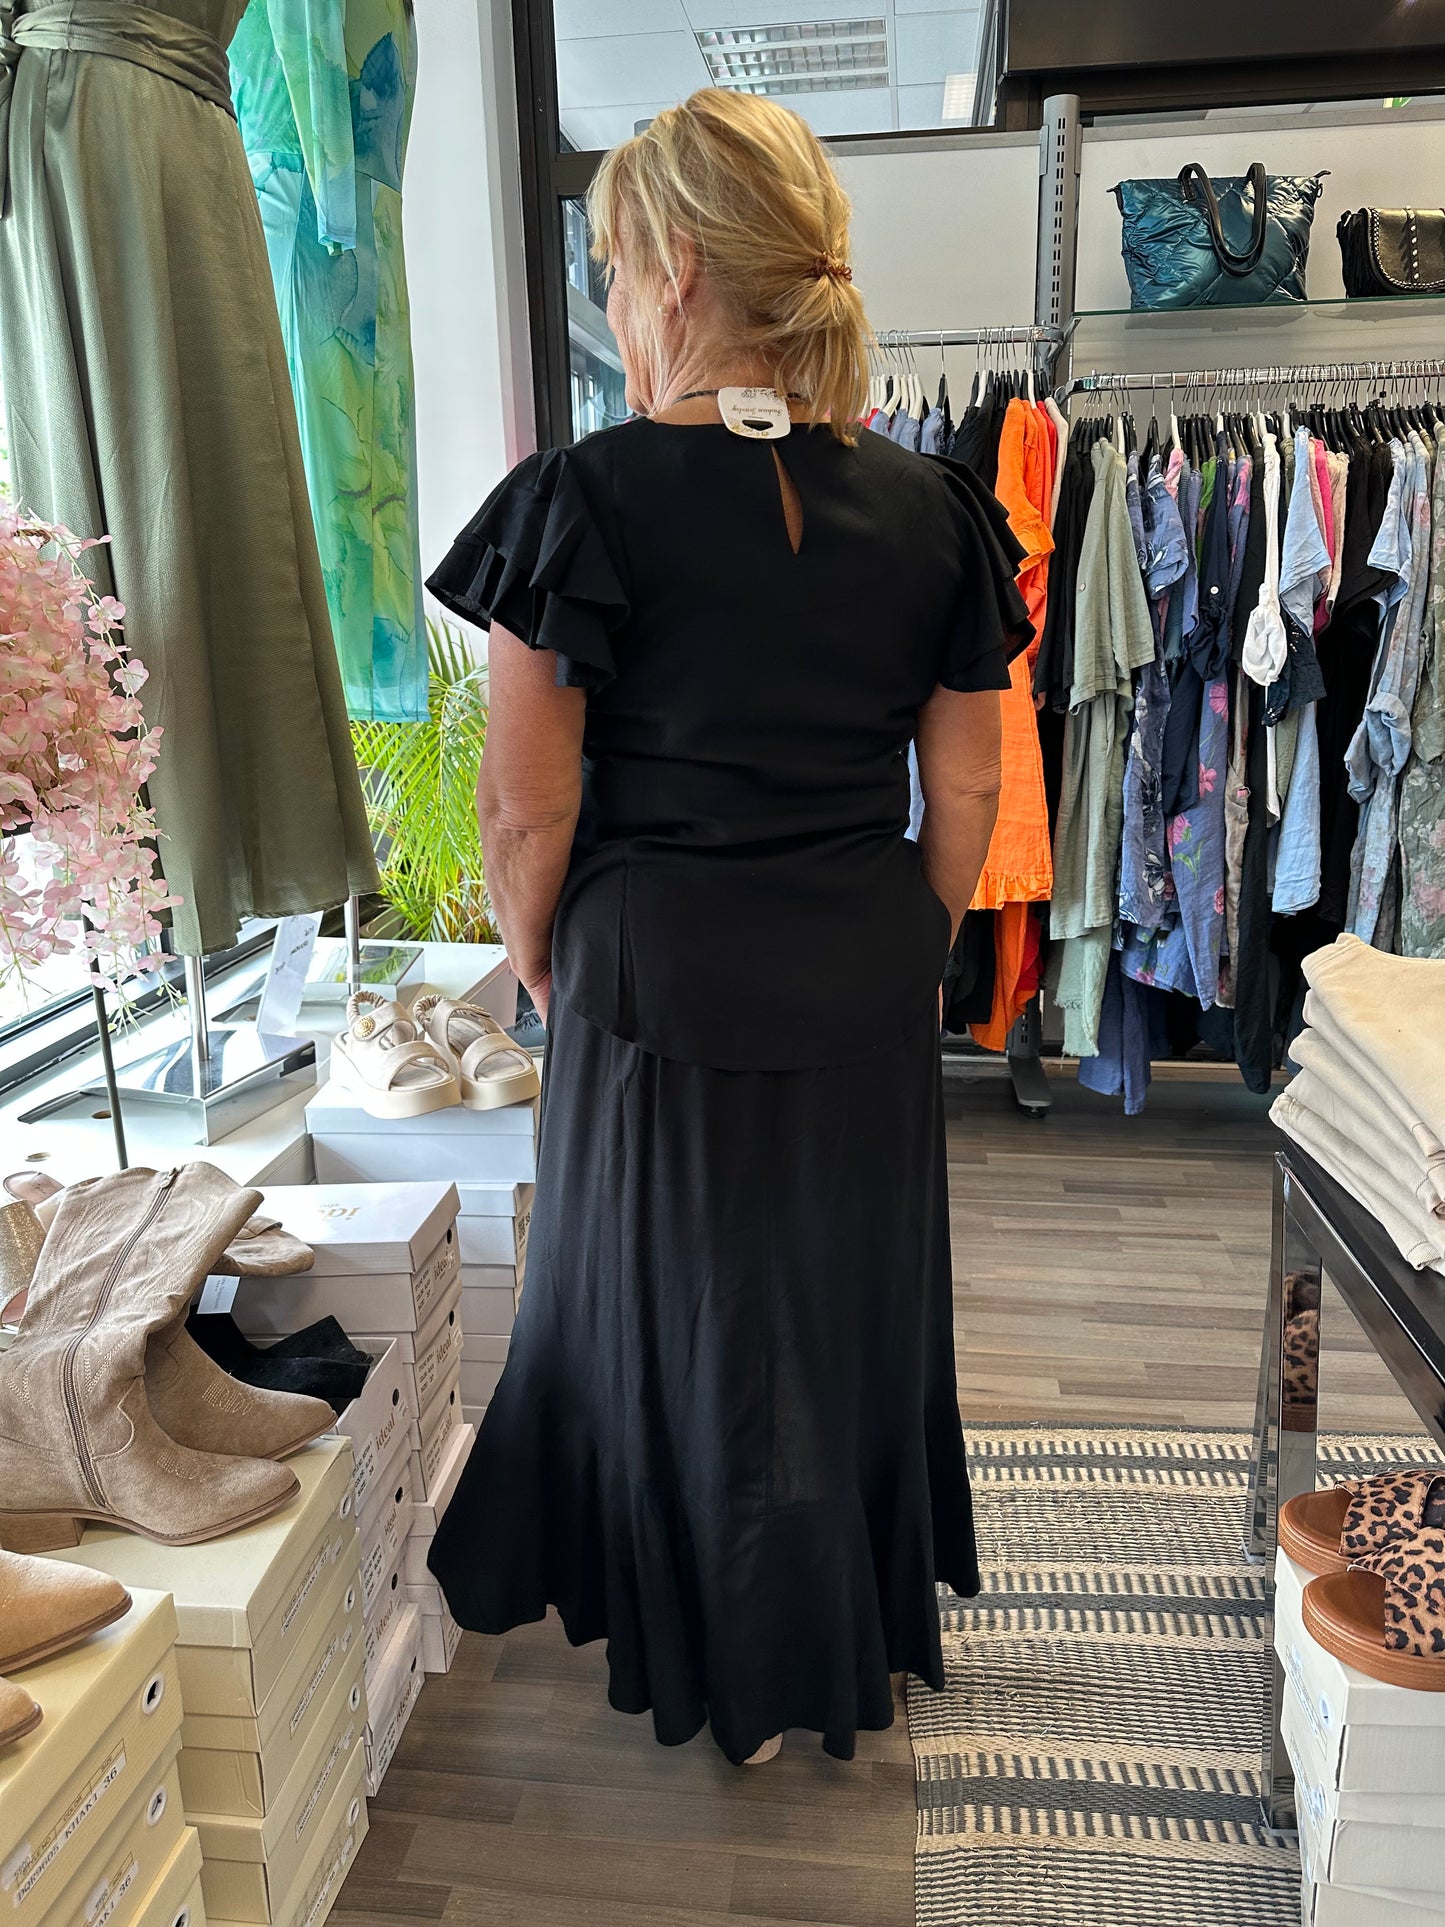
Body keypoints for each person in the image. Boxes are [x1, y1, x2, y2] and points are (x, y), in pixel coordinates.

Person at [426, 87, 1030, 1766]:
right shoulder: (933, 507)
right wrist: (899, 942)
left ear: (678, 268)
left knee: (667, 1316)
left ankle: (719, 1662)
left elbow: (525, 809)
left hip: (651, 976)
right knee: (835, 1311)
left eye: (614, 265)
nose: (613, 297)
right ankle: (828, 1633)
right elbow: (967, 792)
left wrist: (541, 961)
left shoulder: (579, 500)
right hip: (859, 969)